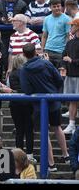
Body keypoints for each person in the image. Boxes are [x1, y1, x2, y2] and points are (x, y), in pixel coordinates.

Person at [20, 43, 70, 172]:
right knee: (57, 127)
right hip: (53, 102)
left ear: (24, 55)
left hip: (38, 105)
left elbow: (26, 90)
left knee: (44, 133)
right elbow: (59, 79)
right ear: (35, 53)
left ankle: (51, 164)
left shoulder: (24, 69)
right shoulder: (46, 64)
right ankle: (66, 156)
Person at [41, 0, 71, 68]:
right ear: (50, 7)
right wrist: (43, 49)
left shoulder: (66, 18)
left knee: (60, 74)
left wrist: (66, 51)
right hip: (48, 50)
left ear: (61, 6)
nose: (57, 8)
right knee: (47, 74)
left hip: (60, 51)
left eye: (58, 6)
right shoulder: (46, 19)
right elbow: (44, 36)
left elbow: (68, 36)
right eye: (54, 7)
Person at [61, 18, 79, 135]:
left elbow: (70, 59)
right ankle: (71, 124)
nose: (70, 28)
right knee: (72, 101)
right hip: (70, 75)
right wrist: (63, 67)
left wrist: (72, 61)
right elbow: (63, 56)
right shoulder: (70, 42)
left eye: (72, 25)